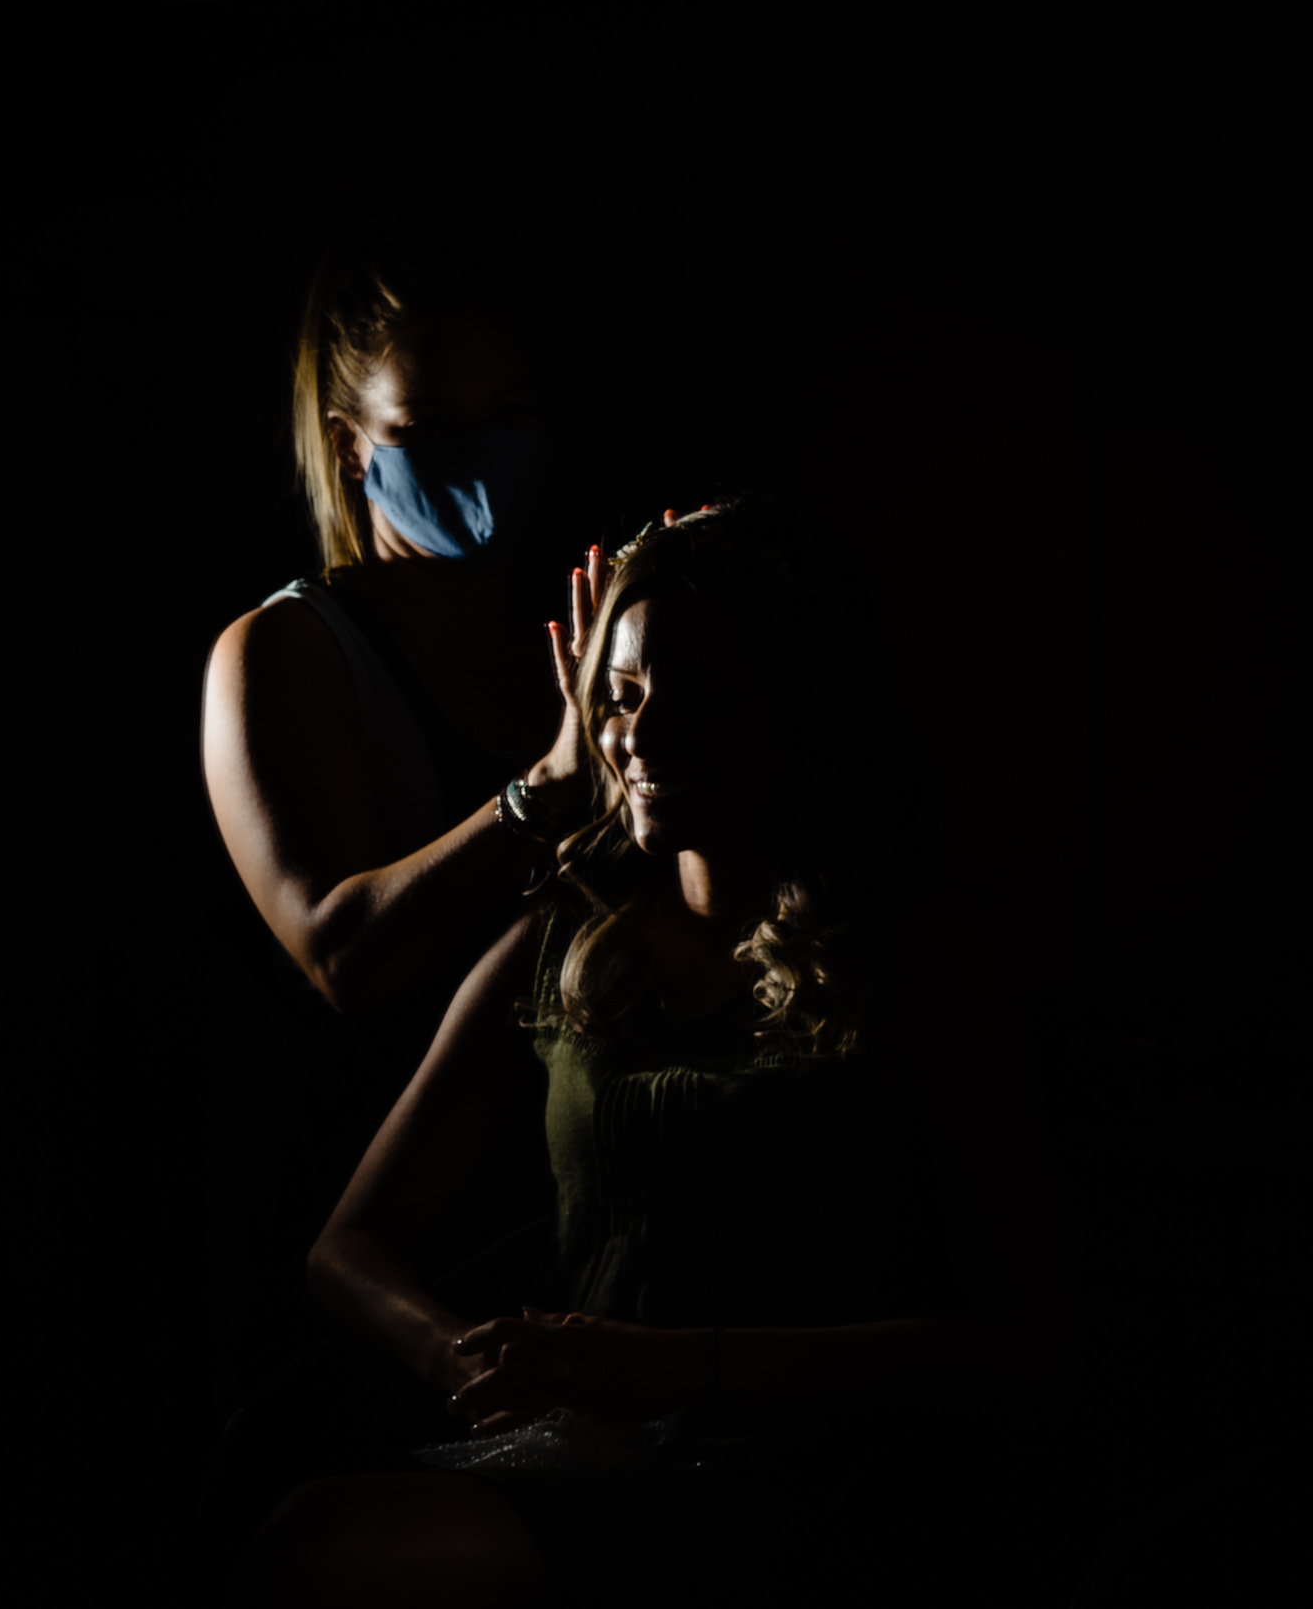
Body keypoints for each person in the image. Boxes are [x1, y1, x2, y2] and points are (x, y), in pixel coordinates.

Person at [225, 501, 1083, 1607]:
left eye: (705, 699)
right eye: (624, 695)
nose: (645, 738)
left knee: (324, 1547)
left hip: (808, 1481)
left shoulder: (913, 964)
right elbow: (346, 1247)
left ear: (802, 714)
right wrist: (460, 1354)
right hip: (581, 1459)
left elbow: (1029, 1341)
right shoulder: (569, 942)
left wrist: (683, 1367)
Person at [200, 224, 678, 1304]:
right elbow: (343, 959)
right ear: (348, 444)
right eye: (435, 429)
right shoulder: (289, 653)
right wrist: (543, 793)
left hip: (564, 1212)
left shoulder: (580, 624)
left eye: (509, 414)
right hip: (369, 1236)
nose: (485, 455)